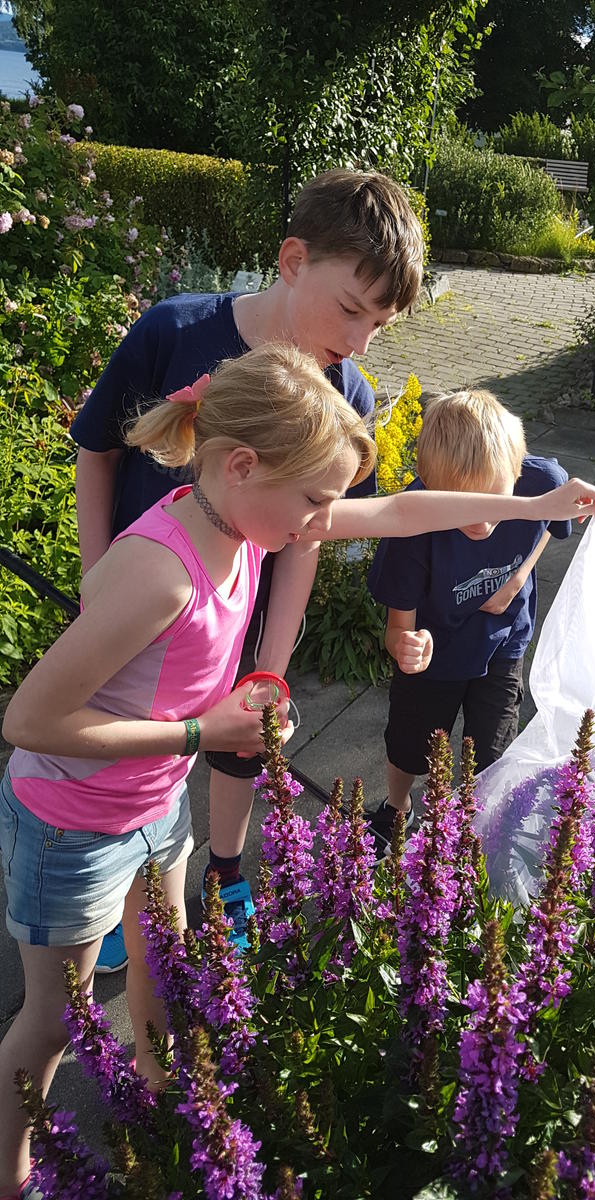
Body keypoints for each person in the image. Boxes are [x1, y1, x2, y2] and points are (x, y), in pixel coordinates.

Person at [0, 343, 595, 1198]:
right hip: (71, 822)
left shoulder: (245, 520)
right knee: (54, 1022)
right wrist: (200, 731)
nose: (324, 521)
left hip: (155, 805)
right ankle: (13, 1173)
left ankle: (163, 1103)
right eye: (316, 500)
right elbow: (30, 721)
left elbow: (403, 512)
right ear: (242, 465)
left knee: (162, 967)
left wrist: (535, 504)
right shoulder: (161, 573)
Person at [70, 167, 424, 965]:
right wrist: (97, 584)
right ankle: (118, 888)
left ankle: (224, 870)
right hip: (143, 604)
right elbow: (97, 452)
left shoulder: (349, 394)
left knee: (239, 744)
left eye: (381, 324)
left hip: (243, 610)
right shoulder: (173, 331)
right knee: (131, 745)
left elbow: (309, 535)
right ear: (294, 260)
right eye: (352, 310)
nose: (361, 342)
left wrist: (273, 663)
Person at [366, 388, 577, 852]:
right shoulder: (412, 525)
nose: (481, 521)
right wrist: (407, 647)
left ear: (515, 474)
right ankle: (397, 807)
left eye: (493, 501)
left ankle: (475, 829)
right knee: (410, 744)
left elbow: (554, 521)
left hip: (504, 644)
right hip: (437, 652)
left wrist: (520, 575)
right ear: (432, 488)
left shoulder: (540, 479)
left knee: (492, 750)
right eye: (463, 506)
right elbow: (397, 629)